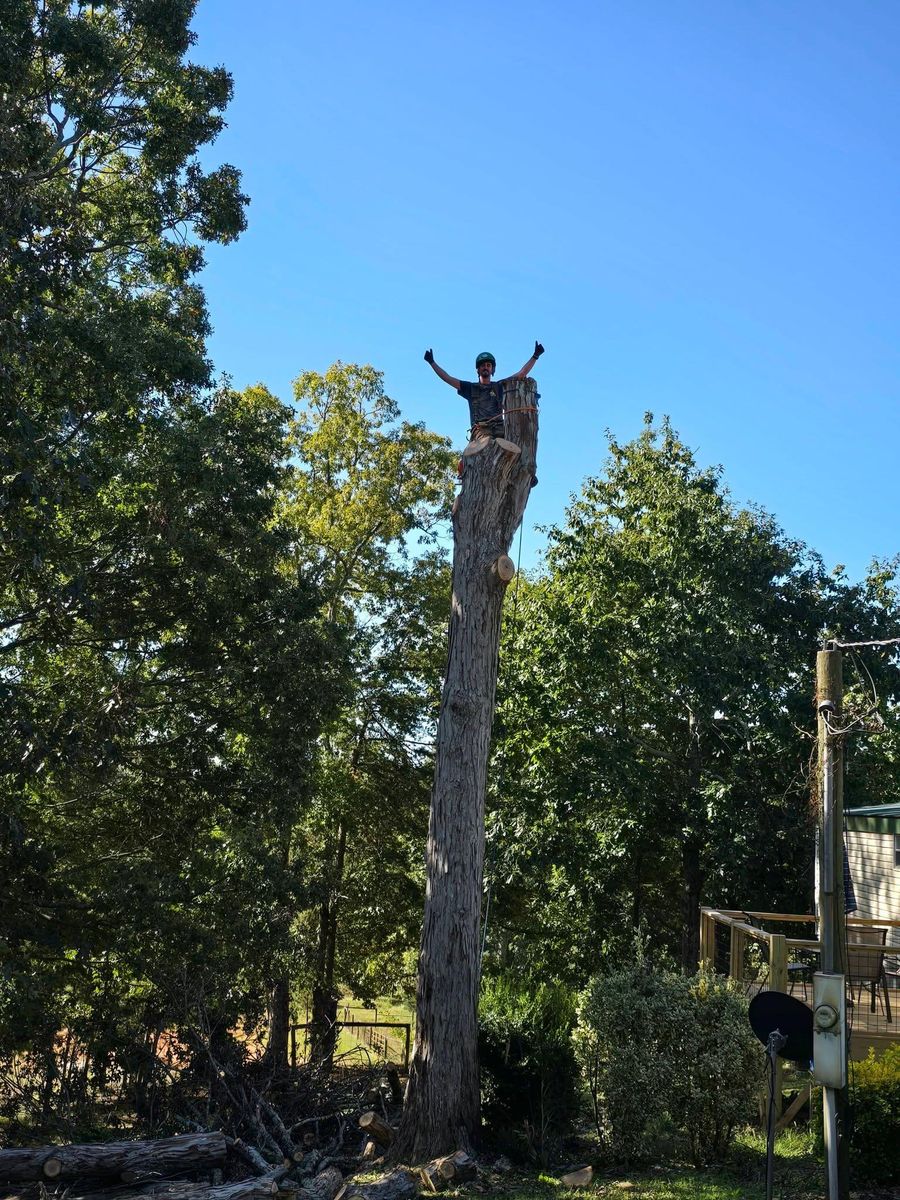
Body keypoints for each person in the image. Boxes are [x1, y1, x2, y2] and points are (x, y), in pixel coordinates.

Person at [423, 342, 544, 441]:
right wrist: (432, 363)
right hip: (480, 431)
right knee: (484, 449)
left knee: (514, 446)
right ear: (478, 370)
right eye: (482, 365)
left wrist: (535, 356)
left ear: (492, 369)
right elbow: (447, 378)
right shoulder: (470, 388)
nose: (485, 367)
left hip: (500, 428)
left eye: (488, 365)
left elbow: (521, 374)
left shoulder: (499, 386)